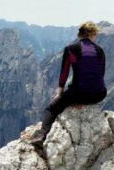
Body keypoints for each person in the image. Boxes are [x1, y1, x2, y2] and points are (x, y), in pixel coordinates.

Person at [28, 21, 107, 150]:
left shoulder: (71, 49)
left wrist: (60, 92)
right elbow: (101, 74)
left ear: (80, 34)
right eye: (95, 34)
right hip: (99, 94)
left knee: (51, 109)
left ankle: (41, 135)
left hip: (79, 93)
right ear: (92, 34)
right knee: (79, 91)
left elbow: (64, 73)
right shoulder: (100, 51)